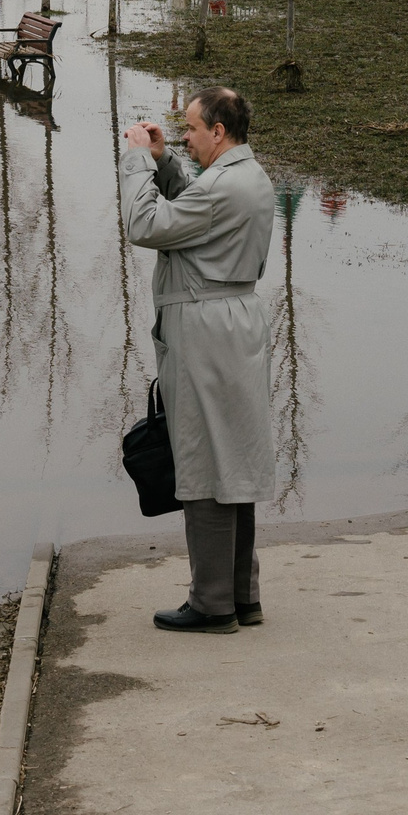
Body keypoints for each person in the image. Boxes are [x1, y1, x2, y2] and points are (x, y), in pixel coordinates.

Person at [119, 85, 274, 634]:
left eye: (190, 128)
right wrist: (166, 163)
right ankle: (241, 596)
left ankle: (211, 604)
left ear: (218, 131)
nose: (184, 136)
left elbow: (145, 226)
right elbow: (194, 208)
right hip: (235, 322)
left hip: (205, 330)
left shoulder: (221, 186)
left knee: (205, 463)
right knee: (233, 458)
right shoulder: (250, 177)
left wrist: (137, 160)